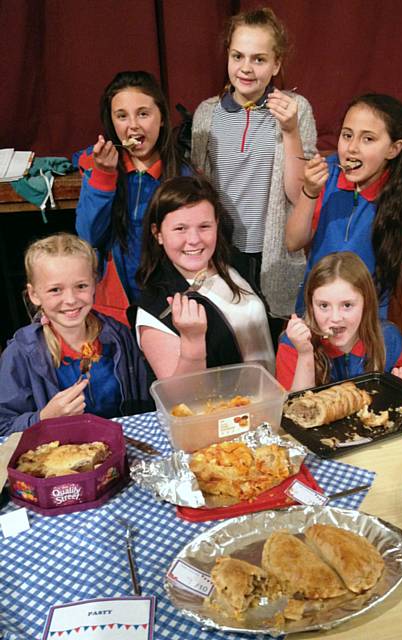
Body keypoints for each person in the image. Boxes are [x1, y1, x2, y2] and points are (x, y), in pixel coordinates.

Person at [286, 93, 402, 384]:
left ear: (394, 149)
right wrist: (309, 191)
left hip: (368, 332)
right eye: (347, 135)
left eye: (368, 139)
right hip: (315, 322)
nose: (352, 148)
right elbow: (293, 242)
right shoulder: (325, 176)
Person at [191, 7, 317, 318]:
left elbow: (296, 193)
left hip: (271, 253)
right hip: (220, 251)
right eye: (238, 56)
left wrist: (289, 131)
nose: (246, 68)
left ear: (276, 64)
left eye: (259, 59)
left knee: (274, 339)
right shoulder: (206, 114)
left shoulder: (295, 109)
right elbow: (198, 191)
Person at [0, 233, 151, 436]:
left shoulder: (119, 336)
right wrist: (44, 418)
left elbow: (143, 407)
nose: (70, 300)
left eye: (81, 286)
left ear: (94, 284)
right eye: (55, 290)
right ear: (34, 295)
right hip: (57, 456)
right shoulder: (20, 353)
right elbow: (4, 427)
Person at [75, 70, 191, 325]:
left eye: (143, 113)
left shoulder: (183, 174)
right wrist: (104, 176)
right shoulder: (101, 170)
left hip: (170, 303)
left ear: (161, 118)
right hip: (116, 304)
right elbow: (88, 237)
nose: (133, 125)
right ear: (112, 123)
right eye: (122, 116)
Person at [135, 175, 274, 379]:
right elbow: (177, 397)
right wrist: (193, 340)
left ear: (217, 224)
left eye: (204, 226)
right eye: (180, 229)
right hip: (230, 408)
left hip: (272, 400)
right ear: (158, 234)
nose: (194, 240)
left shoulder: (238, 264)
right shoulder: (156, 307)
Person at [276, 252, 402, 391]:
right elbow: (295, 409)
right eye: (324, 306)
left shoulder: (388, 338)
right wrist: (305, 354)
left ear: (366, 303)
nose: (335, 318)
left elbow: (399, 391)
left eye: (347, 305)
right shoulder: (293, 344)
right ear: (311, 306)